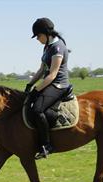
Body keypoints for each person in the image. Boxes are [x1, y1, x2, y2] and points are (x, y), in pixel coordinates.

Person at [25, 17, 72, 159]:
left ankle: (47, 145)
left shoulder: (58, 47)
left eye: (38, 36)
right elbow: (41, 70)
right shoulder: (47, 47)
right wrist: (30, 84)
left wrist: (36, 90)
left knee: (38, 109)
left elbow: (52, 75)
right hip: (49, 83)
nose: (37, 39)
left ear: (46, 33)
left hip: (59, 85)